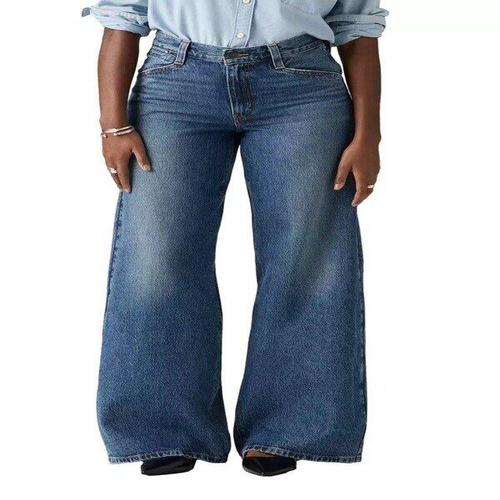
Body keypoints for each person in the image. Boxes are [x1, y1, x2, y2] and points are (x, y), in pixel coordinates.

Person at [83, 0, 388, 477]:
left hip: (303, 87)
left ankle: (288, 428)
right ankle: (164, 427)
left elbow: (356, 26)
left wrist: (369, 135)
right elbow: (123, 15)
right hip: (177, 81)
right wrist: (113, 125)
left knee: (306, 258)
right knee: (158, 255)